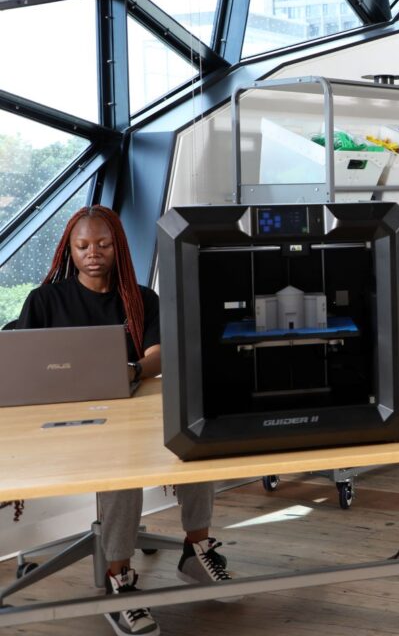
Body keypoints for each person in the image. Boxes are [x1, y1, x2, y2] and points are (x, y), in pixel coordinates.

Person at [14, 205, 234, 636]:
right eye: (82, 246)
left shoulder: (139, 299)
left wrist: (129, 371)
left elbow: (157, 356)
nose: (92, 253)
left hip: (127, 415)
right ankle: (120, 581)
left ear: (118, 247)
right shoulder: (44, 300)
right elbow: (21, 362)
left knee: (195, 435)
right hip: (60, 427)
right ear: (68, 251)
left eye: (102, 244)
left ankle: (197, 547)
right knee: (121, 465)